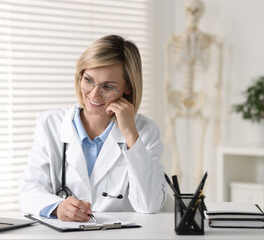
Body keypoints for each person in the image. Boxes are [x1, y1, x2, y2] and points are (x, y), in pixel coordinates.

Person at [19, 35, 166, 222]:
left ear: (127, 88)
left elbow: (149, 205)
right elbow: (29, 189)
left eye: (108, 86)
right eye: (88, 80)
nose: (94, 94)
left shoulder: (145, 130)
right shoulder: (50, 123)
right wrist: (58, 207)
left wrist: (130, 135)